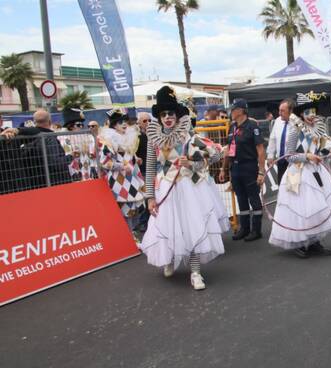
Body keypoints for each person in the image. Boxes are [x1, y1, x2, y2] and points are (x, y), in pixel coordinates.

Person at [140, 86, 229, 290]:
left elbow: (214, 155)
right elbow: (150, 170)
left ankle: (196, 272)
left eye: (171, 113)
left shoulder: (188, 136)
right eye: (163, 114)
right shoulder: (153, 140)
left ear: (177, 115)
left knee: (192, 228)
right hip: (166, 190)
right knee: (168, 228)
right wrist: (150, 198)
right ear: (159, 117)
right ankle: (169, 260)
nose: (168, 117)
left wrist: (191, 162)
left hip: (188, 188)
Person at [269, 93, 331, 258]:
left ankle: (314, 242)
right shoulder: (294, 130)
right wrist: (307, 156)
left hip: (316, 172)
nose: (311, 115)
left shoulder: (318, 129)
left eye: (313, 111)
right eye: (308, 112)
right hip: (299, 174)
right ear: (301, 114)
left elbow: (322, 147)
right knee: (302, 209)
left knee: (317, 208)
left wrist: (327, 151)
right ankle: (301, 243)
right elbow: (288, 155)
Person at [220, 98, 266, 241]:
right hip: (235, 167)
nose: (230, 113)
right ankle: (244, 228)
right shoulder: (232, 127)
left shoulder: (252, 126)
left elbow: (260, 150)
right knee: (241, 198)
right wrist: (224, 169)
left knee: (253, 198)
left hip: (249, 166)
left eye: (233, 110)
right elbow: (228, 150)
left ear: (240, 111)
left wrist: (261, 171)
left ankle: (256, 230)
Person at [97, 109, 146, 235]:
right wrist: (121, 167)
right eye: (120, 122)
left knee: (137, 209)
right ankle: (128, 239)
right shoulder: (109, 140)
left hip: (133, 179)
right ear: (114, 125)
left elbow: (128, 156)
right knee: (125, 212)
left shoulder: (127, 137)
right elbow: (104, 162)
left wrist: (136, 159)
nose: (124, 124)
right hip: (119, 181)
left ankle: (131, 237)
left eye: (125, 121)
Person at [2, 109, 71, 189]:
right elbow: (54, 163)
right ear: (49, 122)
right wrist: (70, 157)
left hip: (34, 184)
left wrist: (18, 130)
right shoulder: (49, 138)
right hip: (54, 183)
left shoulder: (27, 138)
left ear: (34, 122)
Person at [267, 99, 295, 184]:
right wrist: (270, 155)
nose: (279, 113)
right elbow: (273, 139)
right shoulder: (278, 121)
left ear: (290, 111)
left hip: (294, 162)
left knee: (294, 188)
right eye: (279, 110)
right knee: (282, 186)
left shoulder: (297, 123)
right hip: (281, 161)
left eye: (282, 111)